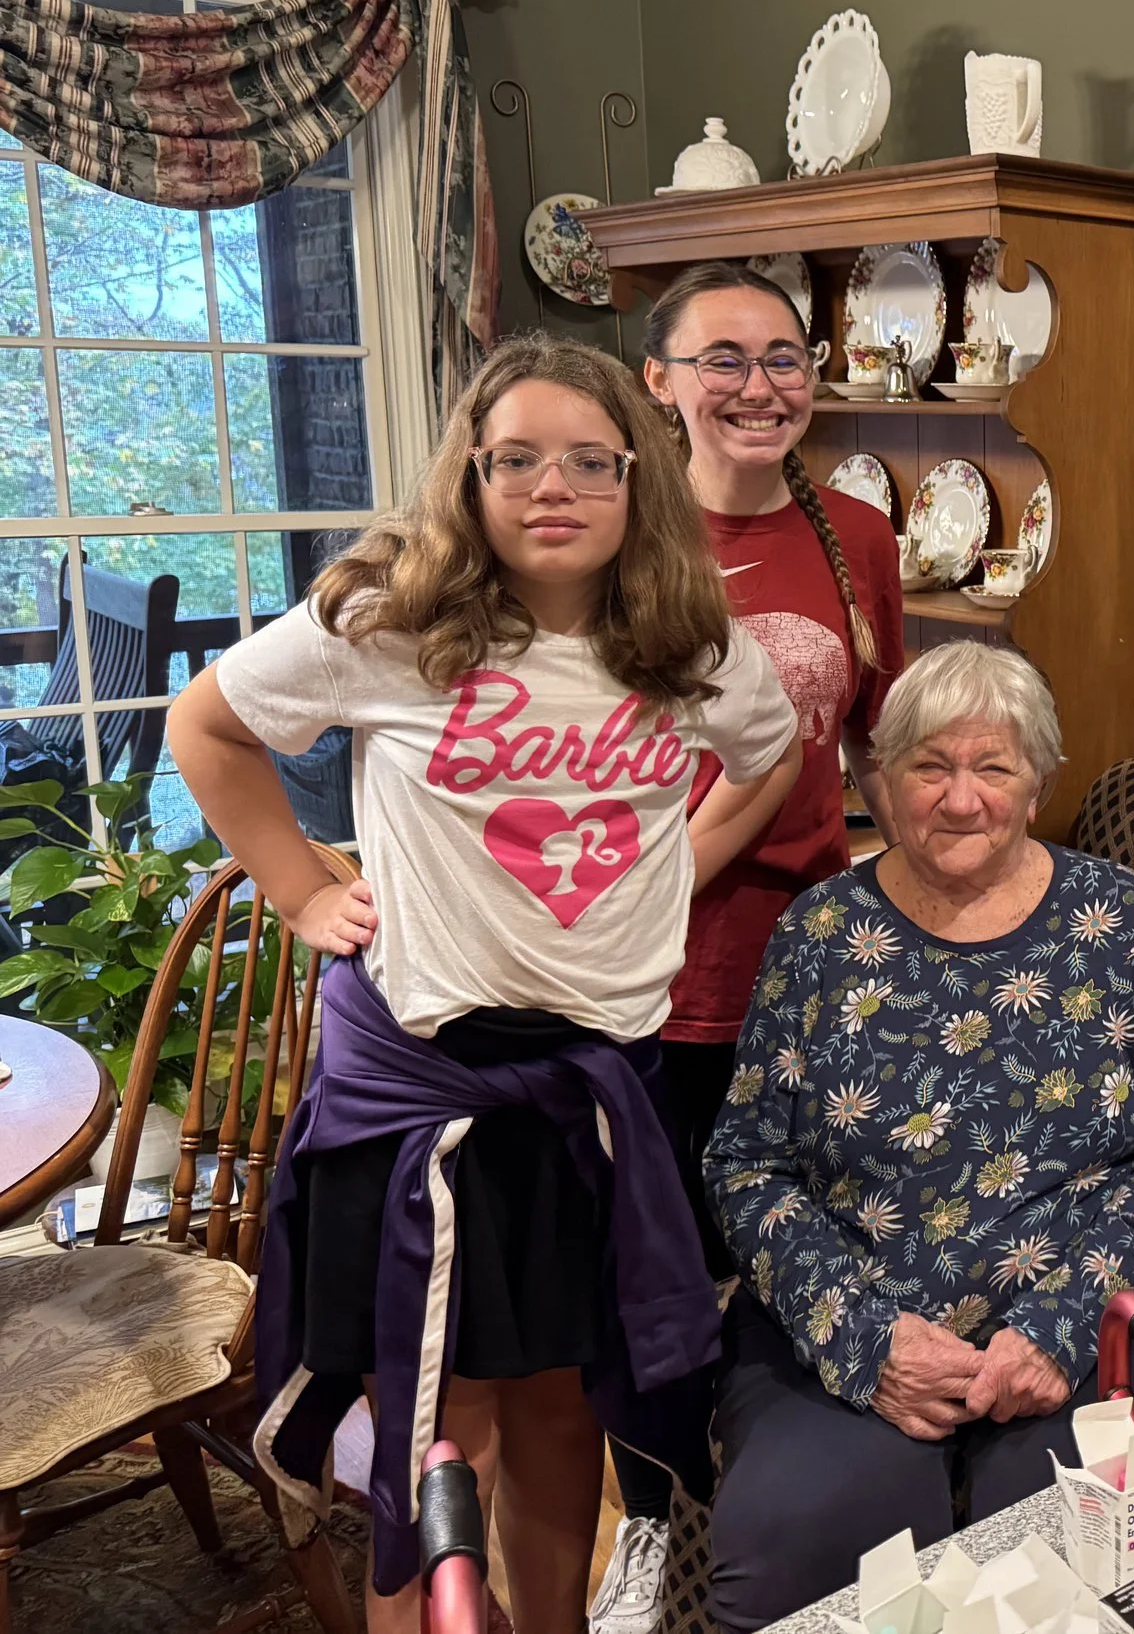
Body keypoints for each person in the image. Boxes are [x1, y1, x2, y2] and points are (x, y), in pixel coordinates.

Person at [166, 332, 803, 1634]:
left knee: (566, 1397)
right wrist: (295, 885)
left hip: (589, 1091)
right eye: (515, 457)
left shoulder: (685, 640)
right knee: (439, 1414)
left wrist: (676, 863)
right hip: (424, 1087)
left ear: (640, 478)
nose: (550, 485)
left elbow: (769, 750)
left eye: (588, 459)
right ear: (471, 470)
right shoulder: (387, 621)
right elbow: (208, 724)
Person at [702, 640, 1134, 1630]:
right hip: (857, 1317)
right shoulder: (817, 936)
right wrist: (863, 1337)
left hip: (1080, 1320)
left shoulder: (1119, 922)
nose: (961, 797)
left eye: (993, 767)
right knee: (804, 1557)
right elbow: (746, 1167)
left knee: (1066, 1565)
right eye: (930, 766)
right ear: (882, 782)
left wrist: (1061, 1325)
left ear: (1037, 783)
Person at [588, 263, 906, 1631]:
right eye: (725, 357)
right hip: (638, 981)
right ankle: (652, 1519)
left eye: (784, 356)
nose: (760, 384)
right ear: (659, 379)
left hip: (814, 978)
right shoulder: (601, 545)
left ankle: (795, 1511)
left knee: (804, 1252)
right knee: (646, 1279)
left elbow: (880, 751)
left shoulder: (858, 538)